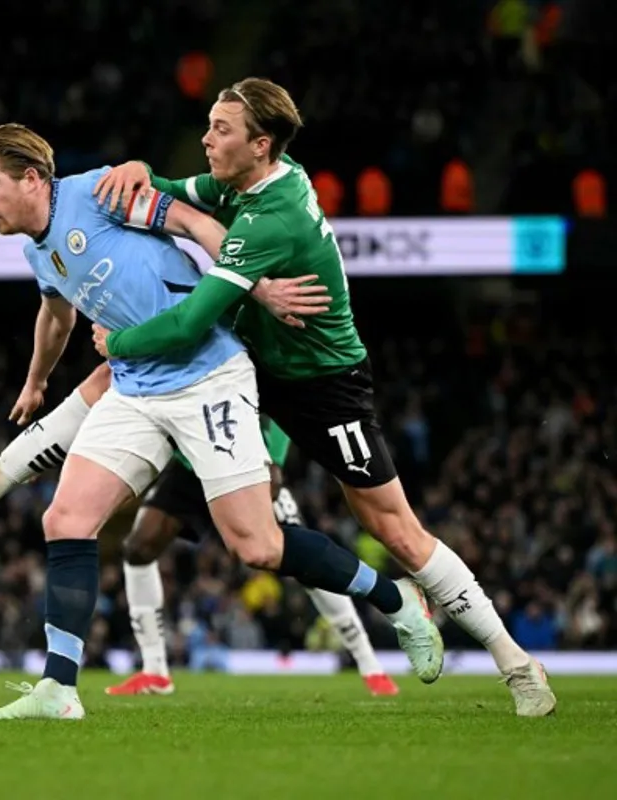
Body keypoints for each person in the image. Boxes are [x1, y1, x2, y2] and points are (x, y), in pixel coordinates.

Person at [0, 122, 442, 722]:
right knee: (66, 518)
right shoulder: (38, 248)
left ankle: (397, 600)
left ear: (32, 179)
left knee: (258, 547)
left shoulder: (96, 193)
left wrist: (254, 285)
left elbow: (194, 222)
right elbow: (55, 317)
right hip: (136, 388)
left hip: (208, 378)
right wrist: (35, 381)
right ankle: (58, 689)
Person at [88, 77, 555, 717]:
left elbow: (190, 322)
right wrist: (139, 168)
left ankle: (516, 665)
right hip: (246, 370)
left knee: (395, 530)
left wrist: (119, 343)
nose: (205, 138)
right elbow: (171, 191)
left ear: (261, 144)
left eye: (220, 130)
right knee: (240, 541)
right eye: (208, 124)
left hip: (323, 386)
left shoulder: (269, 220)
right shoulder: (250, 180)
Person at [106, 418, 399, 697]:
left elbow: (270, 392)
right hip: (194, 457)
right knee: (139, 548)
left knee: (303, 560)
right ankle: (154, 669)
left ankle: (367, 661)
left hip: (247, 459)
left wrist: (271, 457)